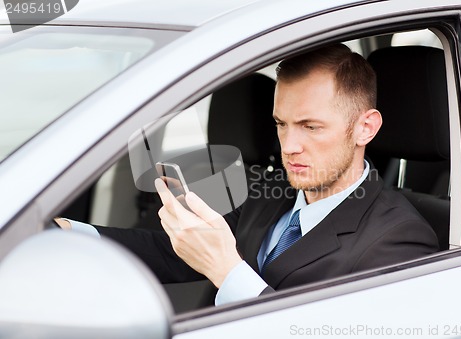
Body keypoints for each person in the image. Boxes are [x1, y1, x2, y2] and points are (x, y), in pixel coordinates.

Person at [56, 43, 439, 306]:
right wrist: (68, 235)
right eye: (281, 123)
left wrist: (228, 271)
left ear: (365, 128)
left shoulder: (400, 241)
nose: (289, 146)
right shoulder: (269, 190)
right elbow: (176, 253)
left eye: (311, 126)